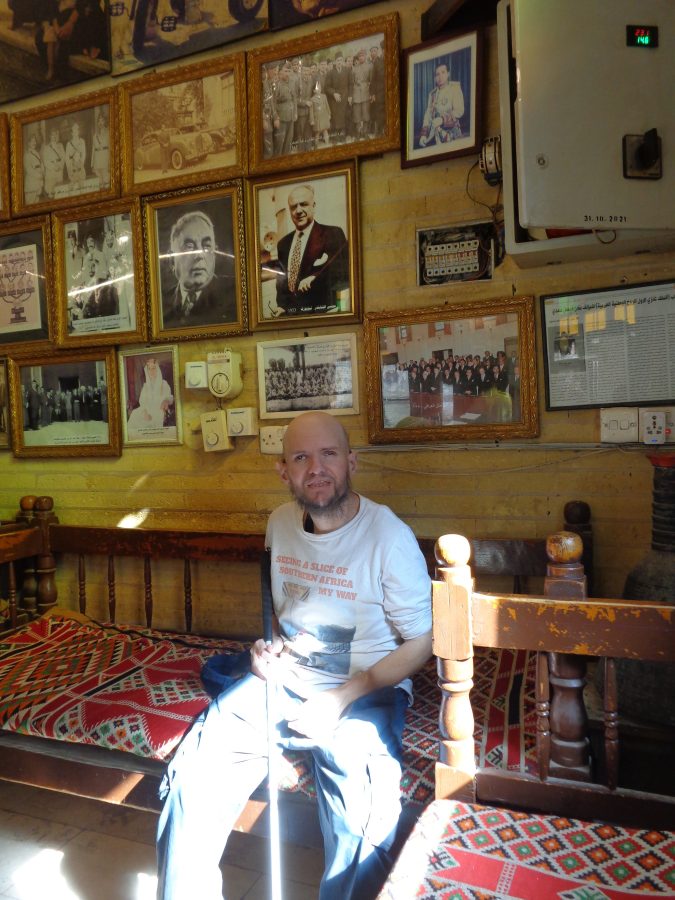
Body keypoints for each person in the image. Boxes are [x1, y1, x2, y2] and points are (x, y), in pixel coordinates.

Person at [156, 411, 432, 900]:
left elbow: (423, 642)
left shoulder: (388, 537)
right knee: (193, 776)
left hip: (366, 687)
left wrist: (345, 695)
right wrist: (268, 650)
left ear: (351, 462)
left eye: (329, 454)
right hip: (286, 679)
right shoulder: (280, 524)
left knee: (362, 817)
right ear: (283, 471)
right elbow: (288, 616)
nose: (316, 468)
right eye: (301, 457)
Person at [275, 184, 349, 316]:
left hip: (323, 315)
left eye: (303, 204)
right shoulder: (283, 244)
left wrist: (315, 277)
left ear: (313, 206)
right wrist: (281, 306)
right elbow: (281, 284)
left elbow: (343, 274)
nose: (298, 211)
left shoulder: (333, 234)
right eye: (293, 207)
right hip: (291, 319)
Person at [162, 209, 236, 327]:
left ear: (215, 254)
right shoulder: (161, 303)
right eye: (189, 246)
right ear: (171, 260)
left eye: (206, 246)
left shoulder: (233, 295)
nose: (200, 255)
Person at [418, 61, 464, 147]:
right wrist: (423, 135)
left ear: (448, 74)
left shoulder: (454, 88)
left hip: (453, 135)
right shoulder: (432, 94)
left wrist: (442, 119)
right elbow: (427, 115)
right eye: (437, 74)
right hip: (436, 138)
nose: (440, 77)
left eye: (443, 72)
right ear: (435, 77)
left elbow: (459, 111)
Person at [126, 357, 173, 435]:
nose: (151, 371)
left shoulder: (164, 384)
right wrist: (145, 412)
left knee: (153, 420)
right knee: (135, 413)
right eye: (149, 369)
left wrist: (166, 400)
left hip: (159, 410)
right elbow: (142, 401)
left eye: (153, 368)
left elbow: (169, 397)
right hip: (147, 409)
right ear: (147, 371)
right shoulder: (146, 386)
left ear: (157, 369)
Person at [42, 126, 66, 198]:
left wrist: (60, 166)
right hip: (51, 174)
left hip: (59, 172)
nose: (54, 136)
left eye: (56, 134)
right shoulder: (46, 148)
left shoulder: (60, 145)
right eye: (52, 135)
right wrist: (54, 167)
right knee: (51, 194)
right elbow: (45, 161)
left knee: (60, 193)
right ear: (50, 136)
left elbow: (63, 158)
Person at [23, 134, 44, 204]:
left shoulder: (36, 153)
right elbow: (29, 170)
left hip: (38, 184)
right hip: (31, 185)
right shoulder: (27, 155)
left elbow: (41, 164)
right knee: (30, 204)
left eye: (35, 141)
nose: (34, 143)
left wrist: (42, 173)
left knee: (37, 203)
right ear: (28, 143)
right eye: (32, 141)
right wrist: (39, 175)